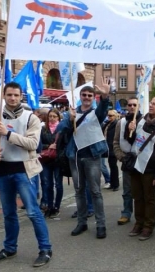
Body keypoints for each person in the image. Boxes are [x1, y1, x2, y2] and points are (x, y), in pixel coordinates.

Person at [0, 82, 52, 267]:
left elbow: (32, 144)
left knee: (32, 212)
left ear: (21, 96)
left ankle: (45, 249)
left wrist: (8, 134)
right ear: (4, 96)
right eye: (9, 95)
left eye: (16, 95)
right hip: (3, 170)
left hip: (24, 170)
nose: (13, 98)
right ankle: (9, 247)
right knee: (8, 213)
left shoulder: (31, 118)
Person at [56, 81, 111, 239]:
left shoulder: (96, 113)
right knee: (79, 191)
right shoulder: (71, 113)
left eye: (90, 96)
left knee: (95, 191)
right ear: (80, 97)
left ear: (94, 98)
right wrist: (69, 119)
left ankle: (101, 224)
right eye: (84, 95)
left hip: (92, 156)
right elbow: (61, 130)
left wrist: (105, 95)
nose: (87, 97)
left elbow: (103, 109)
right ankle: (82, 222)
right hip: (75, 157)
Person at [127, 96, 155, 241]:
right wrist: (131, 131)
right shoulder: (141, 121)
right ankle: (139, 222)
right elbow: (132, 141)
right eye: (151, 102)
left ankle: (148, 226)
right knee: (137, 197)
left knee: (149, 199)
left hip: (150, 169)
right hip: (136, 165)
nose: (151, 105)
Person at [113, 97, 141, 225]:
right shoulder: (121, 122)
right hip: (127, 159)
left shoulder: (144, 122)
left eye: (134, 105)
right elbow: (116, 141)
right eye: (129, 105)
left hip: (140, 159)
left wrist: (134, 130)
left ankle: (141, 215)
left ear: (138, 106)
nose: (132, 107)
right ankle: (126, 213)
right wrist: (121, 157)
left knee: (141, 190)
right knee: (127, 190)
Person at [40, 109, 63, 218]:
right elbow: (38, 144)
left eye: (54, 116)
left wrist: (57, 147)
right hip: (46, 160)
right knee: (48, 184)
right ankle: (49, 206)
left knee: (58, 184)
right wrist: (47, 146)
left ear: (58, 117)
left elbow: (65, 143)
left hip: (58, 160)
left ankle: (56, 206)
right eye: (50, 116)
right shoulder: (43, 129)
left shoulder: (62, 129)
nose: (52, 118)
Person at [102, 110, 120, 191]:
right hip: (107, 147)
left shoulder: (116, 124)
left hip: (113, 147)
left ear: (115, 116)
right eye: (108, 115)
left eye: (111, 115)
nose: (109, 117)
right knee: (111, 165)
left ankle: (115, 184)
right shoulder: (107, 124)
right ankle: (112, 183)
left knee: (113, 166)